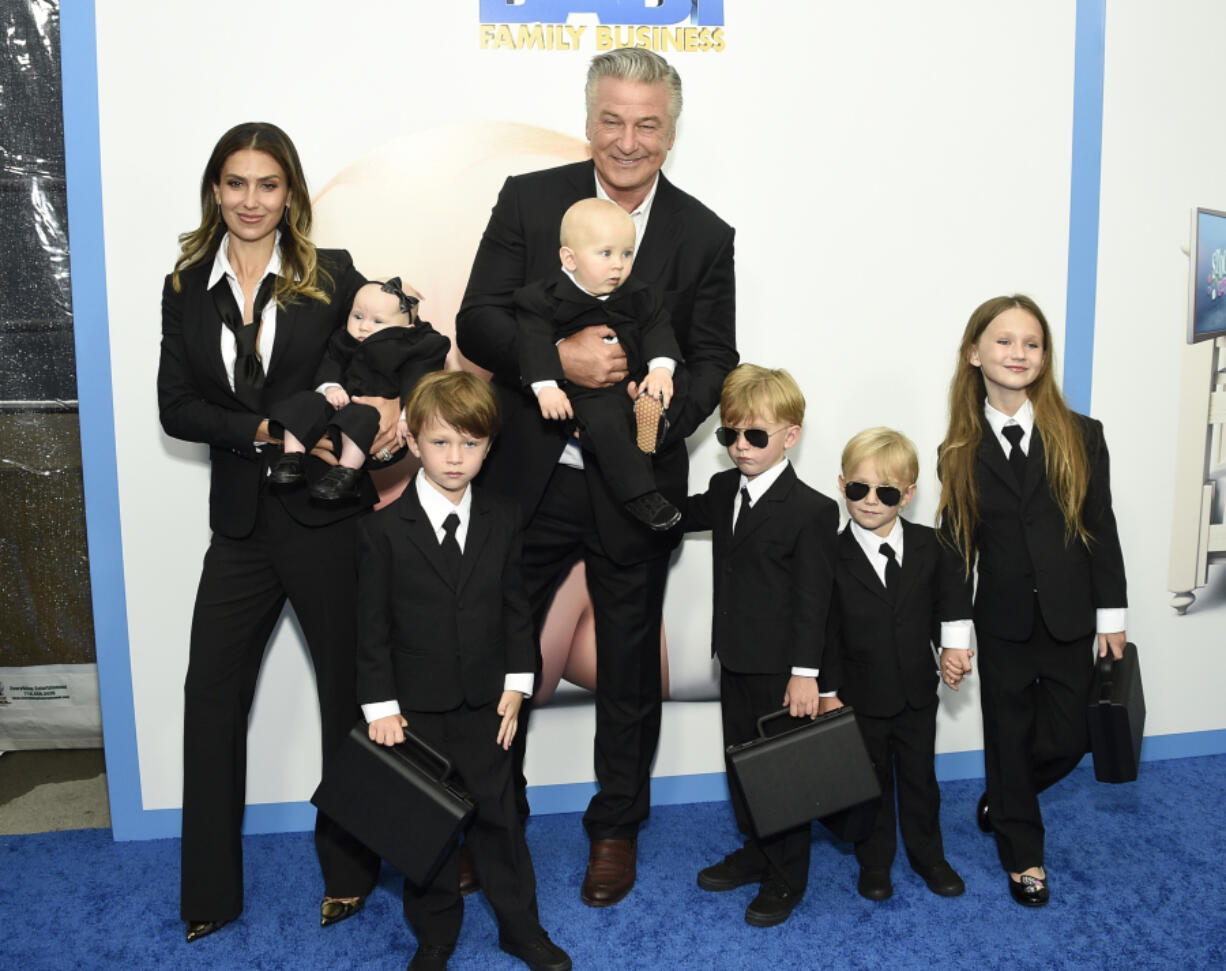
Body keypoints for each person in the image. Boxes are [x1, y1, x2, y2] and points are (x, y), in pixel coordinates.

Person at [457, 46, 737, 908]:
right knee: (494, 655)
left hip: (635, 487)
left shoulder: (704, 232)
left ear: (672, 131)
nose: (627, 140)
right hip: (528, 478)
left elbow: (715, 358)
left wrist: (658, 421)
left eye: (647, 123)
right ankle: (484, 818)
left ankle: (615, 825)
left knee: (626, 663)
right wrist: (563, 360)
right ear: (588, 120)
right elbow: (478, 320)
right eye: (611, 120)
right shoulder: (529, 199)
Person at [158, 121, 396, 941]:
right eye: (235, 183)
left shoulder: (331, 277)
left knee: (346, 700)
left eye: (267, 184)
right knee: (209, 698)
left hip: (326, 519)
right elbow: (175, 406)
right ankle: (210, 893)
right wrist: (265, 430)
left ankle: (352, 872)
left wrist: (389, 409)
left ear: (289, 192)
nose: (251, 200)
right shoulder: (187, 284)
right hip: (241, 523)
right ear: (215, 190)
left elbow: (393, 347)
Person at [357, 371, 571, 971]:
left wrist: (517, 685)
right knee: (424, 827)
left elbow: (515, 610)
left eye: (470, 444)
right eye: (442, 442)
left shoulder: (504, 518)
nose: (455, 457)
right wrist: (380, 708)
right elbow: (370, 629)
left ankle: (521, 929)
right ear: (413, 439)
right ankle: (434, 936)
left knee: (500, 819)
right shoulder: (381, 530)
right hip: (415, 711)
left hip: (487, 706)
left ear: (489, 446)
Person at [937, 294, 1128, 908]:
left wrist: (1113, 617)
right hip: (1002, 623)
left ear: (1044, 359)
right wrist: (956, 639)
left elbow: (1101, 527)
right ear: (974, 353)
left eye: (1032, 343)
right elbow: (957, 549)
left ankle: (1004, 796)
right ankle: (1025, 856)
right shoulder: (958, 453)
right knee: (1008, 734)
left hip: (1072, 619)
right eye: (1004, 340)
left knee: (1068, 740)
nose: (1018, 353)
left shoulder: (1081, 436)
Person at [683, 365, 839, 927]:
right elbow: (679, 515)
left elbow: (813, 602)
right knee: (741, 763)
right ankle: (756, 849)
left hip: (783, 669)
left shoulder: (813, 510)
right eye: (729, 435)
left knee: (783, 772)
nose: (739, 448)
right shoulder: (726, 488)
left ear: (790, 435)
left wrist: (807, 674)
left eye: (755, 436)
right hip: (735, 657)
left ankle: (787, 874)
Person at [820, 427, 965, 902]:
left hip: (917, 693)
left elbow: (949, 604)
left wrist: (954, 648)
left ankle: (930, 858)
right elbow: (823, 630)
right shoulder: (828, 555)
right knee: (871, 783)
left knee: (921, 780)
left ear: (908, 494)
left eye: (885, 491)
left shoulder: (933, 546)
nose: (869, 501)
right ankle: (874, 863)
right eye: (858, 489)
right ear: (842, 485)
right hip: (858, 697)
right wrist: (828, 690)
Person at [516, 197, 681, 530]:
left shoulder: (641, 293)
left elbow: (657, 328)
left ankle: (651, 421)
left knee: (665, 387)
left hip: (632, 381)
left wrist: (661, 369)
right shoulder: (540, 298)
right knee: (605, 421)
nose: (618, 265)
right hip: (583, 391)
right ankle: (641, 496)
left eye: (627, 253)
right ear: (569, 258)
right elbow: (532, 343)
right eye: (606, 254)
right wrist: (546, 388)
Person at [266, 276, 449, 501]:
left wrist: (406, 416)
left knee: (361, 417)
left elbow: (420, 382)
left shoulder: (415, 348)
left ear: (407, 329)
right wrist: (330, 386)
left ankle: (345, 473)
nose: (364, 326)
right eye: (358, 316)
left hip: (374, 425)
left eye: (378, 321)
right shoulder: (343, 340)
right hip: (336, 409)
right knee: (305, 402)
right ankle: (291, 458)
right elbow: (330, 362)